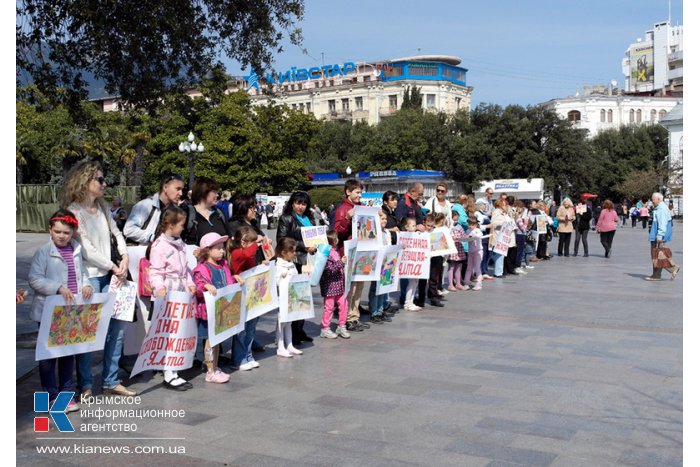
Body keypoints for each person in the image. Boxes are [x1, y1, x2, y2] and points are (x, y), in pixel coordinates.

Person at [63, 161, 133, 397]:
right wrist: (114, 265)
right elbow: (86, 249)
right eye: (100, 180)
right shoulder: (74, 211)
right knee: (87, 332)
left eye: (104, 179)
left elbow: (117, 233)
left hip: (113, 275)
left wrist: (124, 256)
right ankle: (84, 384)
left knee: (118, 328)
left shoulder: (103, 208)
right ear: (85, 182)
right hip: (90, 278)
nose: (105, 184)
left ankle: (110, 380)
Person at [29, 209, 93, 412]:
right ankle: (50, 395)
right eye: (58, 232)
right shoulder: (43, 252)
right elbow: (35, 279)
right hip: (50, 311)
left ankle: (67, 393)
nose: (62, 236)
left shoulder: (76, 249)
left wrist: (87, 285)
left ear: (73, 232)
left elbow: (82, 273)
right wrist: (57, 287)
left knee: (67, 354)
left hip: (71, 312)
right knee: (48, 357)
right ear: (50, 231)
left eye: (66, 232)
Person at [149, 205, 196, 390]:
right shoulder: (160, 246)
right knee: (169, 334)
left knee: (178, 333)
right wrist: (159, 288)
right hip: (168, 294)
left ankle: (175, 369)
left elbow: (185, 268)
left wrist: (190, 282)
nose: (183, 228)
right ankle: (168, 373)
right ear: (170, 224)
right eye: (181, 224)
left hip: (181, 293)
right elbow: (156, 271)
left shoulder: (181, 244)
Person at [193, 232, 239, 383]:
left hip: (222, 310)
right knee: (210, 341)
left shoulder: (223, 265)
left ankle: (216, 366)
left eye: (222, 248)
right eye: (218, 248)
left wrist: (235, 278)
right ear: (207, 250)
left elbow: (228, 281)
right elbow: (198, 286)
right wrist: (205, 285)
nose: (222, 251)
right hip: (208, 312)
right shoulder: (202, 268)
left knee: (217, 340)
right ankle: (210, 370)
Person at [277, 191, 318, 343]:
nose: (301, 206)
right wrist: (304, 246)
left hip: (308, 261)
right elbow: (282, 239)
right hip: (295, 261)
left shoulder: (309, 218)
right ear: (292, 203)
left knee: (304, 296)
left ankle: (300, 329)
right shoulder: (286, 218)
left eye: (304, 203)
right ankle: (292, 333)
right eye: (298, 203)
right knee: (294, 297)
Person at [230, 226, 268, 370]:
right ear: (244, 243)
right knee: (241, 329)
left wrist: (261, 264)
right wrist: (256, 243)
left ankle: (247, 354)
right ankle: (239, 358)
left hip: (251, 297)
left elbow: (251, 265)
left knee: (251, 328)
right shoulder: (237, 253)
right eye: (251, 243)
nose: (255, 248)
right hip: (241, 296)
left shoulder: (248, 254)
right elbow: (246, 256)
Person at [333, 179, 369, 332]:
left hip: (362, 251)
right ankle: (346, 317)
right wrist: (347, 218)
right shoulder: (343, 209)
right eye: (357, 192)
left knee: (359, 285)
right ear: (348, 192)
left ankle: (354, 316)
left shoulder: (361, 207)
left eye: (361, 192)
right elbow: (337, 231)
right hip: (348, 251)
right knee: (350, 287)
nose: (359, 195)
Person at [124, 173, 184, 245]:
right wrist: (153, 238)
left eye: (181, 190)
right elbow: (128, 230)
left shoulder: (175, 211)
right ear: (165, 187)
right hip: (140, 253)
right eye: (178, 189)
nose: (181, 193)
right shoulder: (146, 205)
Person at [274, 238, 305, 358]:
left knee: (289, 322)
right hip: (282, 298)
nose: (294, 254)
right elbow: (276, 281)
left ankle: (290, 344)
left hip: (292, 297)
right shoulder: (278, 264)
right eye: (292, 252)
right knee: (282, 322)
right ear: (284, 252)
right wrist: (282, 276)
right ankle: (280, 347)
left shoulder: (291, 264)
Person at [319, 230, 351, 339]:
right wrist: (340, 263)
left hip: (339, 284)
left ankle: (342, 325)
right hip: (329, 286)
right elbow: (329, 270)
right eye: (335, 238)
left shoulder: (335, 251)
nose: (337, 239)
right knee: (329, 307)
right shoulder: (325, 253)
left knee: (344, 305)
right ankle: (325, 328)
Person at [183, 177, 231, 246]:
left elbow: (228, 238)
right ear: (203, 193)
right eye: (214, 192)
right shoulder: (187, 213)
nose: (217, 195)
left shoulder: (219, 213)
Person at [645, 193, 680, 281]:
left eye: (654, 199)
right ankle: (659, 273)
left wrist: (660, 235)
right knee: (658, 253)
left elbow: (662, 223)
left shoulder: (661, 209)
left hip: (659, 234)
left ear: (659, 199)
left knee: (657, 254)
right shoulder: (660, 208)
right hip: (656, 233)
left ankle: (660, 273)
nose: (652, 200)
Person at [368, 210, 393, 323]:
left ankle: (381, 310)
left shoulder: (387, 232)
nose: (384, 221)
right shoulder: (374, 232)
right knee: (375, 288)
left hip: (386, 263)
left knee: (383, 288)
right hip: (376, 263)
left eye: (385, 219)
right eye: (382, 218)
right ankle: (374, 312)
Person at [400, 217, 422, 311]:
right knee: (411, 282)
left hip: (416, 262)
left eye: (415, 225)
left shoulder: (416, 235)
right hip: (410, 263)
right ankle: (407, 303)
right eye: (412, 225)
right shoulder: (405, 236)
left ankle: (411, 302)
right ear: (406, 227)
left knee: (415, 283)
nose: (414, 227)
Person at [425, 213, 446, 306]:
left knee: (434, 277)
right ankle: (422, 298)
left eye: (432, 225)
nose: (430, 227)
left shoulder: (438, 231)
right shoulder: (422, 232)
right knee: (423, 279)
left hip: (436, 256)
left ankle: (433, 296)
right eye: (428, 225)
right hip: (426, 257)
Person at [446, 210, 468, 291]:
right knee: (451, 267)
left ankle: (458, 283)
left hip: (459, 247)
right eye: (454, 219)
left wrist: (467, 237)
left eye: (457, 219)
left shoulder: (459, 226)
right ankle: (450, 284)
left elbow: (464, 235)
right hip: (452, 248)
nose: (456, 221)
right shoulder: (448, 227)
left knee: (459, 266)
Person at [464, 217, 484, 290]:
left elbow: (479, 235)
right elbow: (465, 237)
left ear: (476, 225)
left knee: (477, 268)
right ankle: (466, 283)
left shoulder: (477, 230)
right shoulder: (467, 231)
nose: (470, 226)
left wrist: (474, 236)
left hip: (478, 251)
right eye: (469, 224)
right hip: (470, 251)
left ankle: (479, 284)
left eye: (472, 224)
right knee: (469, 268)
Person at [475, 199, 493, 278]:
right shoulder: (477, 213)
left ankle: (485, 271)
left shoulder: (484, 214)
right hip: (482, 236)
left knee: (487, 254)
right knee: (483, 254)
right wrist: (487, 226)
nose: (485, 206)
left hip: (487, 236)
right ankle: (480, 271)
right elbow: (477, 225)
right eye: (484, 204)